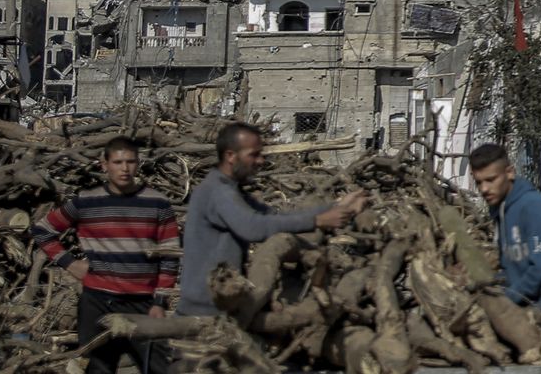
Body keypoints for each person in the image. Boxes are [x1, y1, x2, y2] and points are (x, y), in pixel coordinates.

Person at [178, 122, 365, 317]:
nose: (260, 161)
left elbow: (273, 216)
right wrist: (317, 221)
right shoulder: (218, 191)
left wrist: (337, 206)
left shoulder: (230, 190)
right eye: (253, 154)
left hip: (219, 307)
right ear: (231, 156)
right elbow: (253, 227)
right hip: (204, 311)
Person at [32, 137, 179, 374]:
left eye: (130, 162)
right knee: (98, 368)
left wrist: (160, 301)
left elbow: (170, 255)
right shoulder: (87, 202)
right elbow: (42, 230)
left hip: (143, 303)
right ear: (104, 164)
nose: (124, 168)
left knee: (159, 367)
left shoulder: (157, 203)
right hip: (98, 303)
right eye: (118, 162)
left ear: (138, 164)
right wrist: (69, 263)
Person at [470, 143, 541, 373]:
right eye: (479, 182)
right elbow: (511, 267)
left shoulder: (534, 207)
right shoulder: (502, 211)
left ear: (510, 172)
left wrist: (504, 303)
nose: (484, 188)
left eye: (491, 180)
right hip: (526, 315)